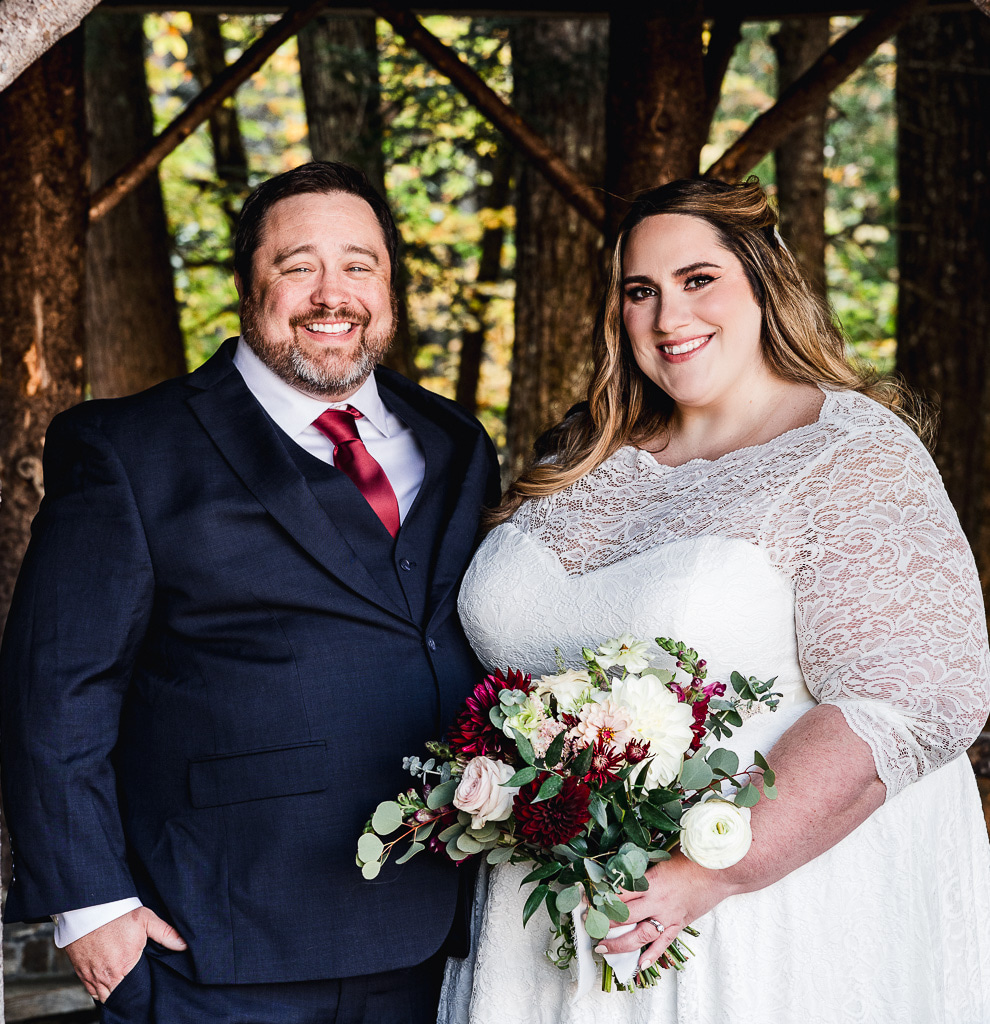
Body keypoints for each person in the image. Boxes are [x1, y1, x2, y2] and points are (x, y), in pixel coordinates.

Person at [439, 177, 990, 1023]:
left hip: (743, 918)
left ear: (764, 283)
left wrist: (717, 868)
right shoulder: (583, 458)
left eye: (699, 280)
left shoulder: (847, 453)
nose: (668, 317)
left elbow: (910, 697)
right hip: (540, 924)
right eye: (640, 291)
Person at [1, 161, 500, 1024]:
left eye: (359, 265)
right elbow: (55, 689)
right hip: (213, 942)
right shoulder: (129, 449)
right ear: (247, 284)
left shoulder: (454, 439)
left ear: (390, 287)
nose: (331, 293)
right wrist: (94, 909)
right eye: (296, 265)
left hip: (440, 928)